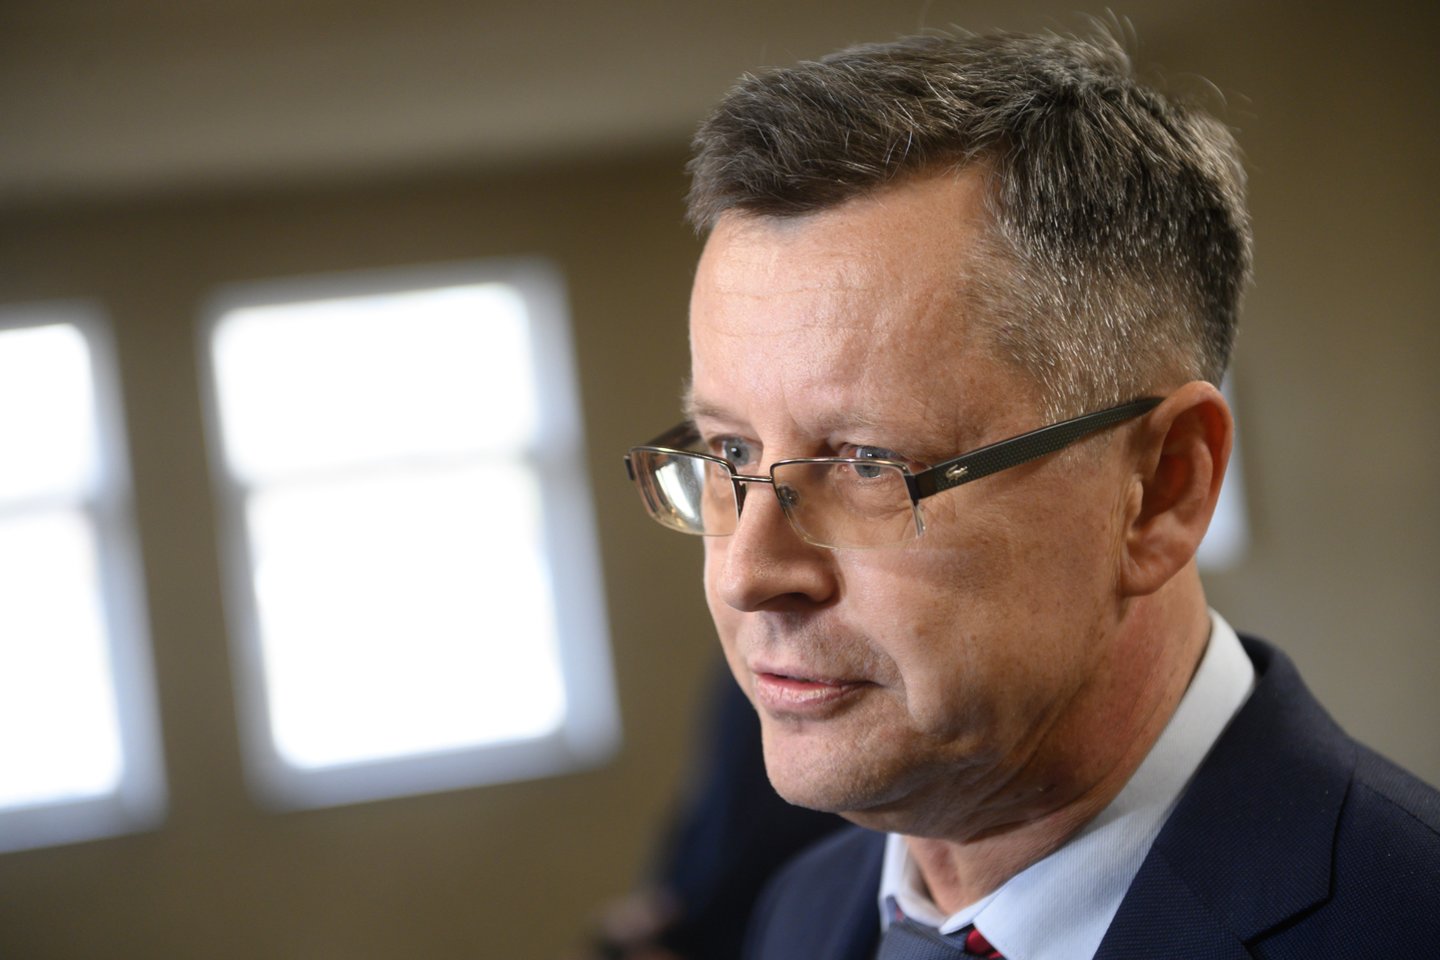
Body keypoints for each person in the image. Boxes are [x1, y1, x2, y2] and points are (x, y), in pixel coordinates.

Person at [622, 27, 1440, 960]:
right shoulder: (803, 914)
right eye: (730, 449)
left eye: (865, 463)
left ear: (1162, 491)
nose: (747, 574)